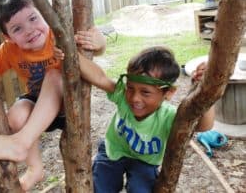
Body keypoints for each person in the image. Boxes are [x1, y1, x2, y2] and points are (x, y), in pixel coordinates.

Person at [0, 0, 106, 191]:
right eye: (17, 29)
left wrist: (99, 43)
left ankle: (20, 142)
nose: (29, 30)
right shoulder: (10, 50)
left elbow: (94, 41)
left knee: (54, 75)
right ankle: (34, 169)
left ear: (45, 16)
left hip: (69, 103)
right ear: (7, 37)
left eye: (33, 18)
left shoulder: (58, 35)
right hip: (40, 104)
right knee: (15, 115)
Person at [78, 46, 215, 193]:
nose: (135, 98)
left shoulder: (169, 116)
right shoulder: (123, 96)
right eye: (130, 88)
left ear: (168, 92)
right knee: (101, 188)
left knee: (141, 190)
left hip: (144, 161)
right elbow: (100, 78)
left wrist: (205, 89)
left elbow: (204, 126)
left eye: (145, 92)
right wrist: (72, 53)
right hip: (114, 150)